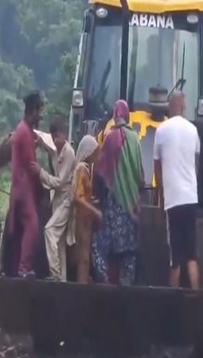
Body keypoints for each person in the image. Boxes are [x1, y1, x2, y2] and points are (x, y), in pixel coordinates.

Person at [92, 100, 144, 285]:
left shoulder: (111, 137)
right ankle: (126, 288)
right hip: (132, 205)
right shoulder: (136, 139)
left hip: (115, 204)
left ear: (115, 115)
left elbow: (101, 171)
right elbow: (141, 174)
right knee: (129, 252)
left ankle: (104, 280)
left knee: (99, 245)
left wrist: (97, 196)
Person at [153, 92, 201, 289]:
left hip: (173, 201)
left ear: (169, 107)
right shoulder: (193, 130)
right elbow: (197, 163)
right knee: (191, 256)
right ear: (183, 107)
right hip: (190, 198)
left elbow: (157, 166)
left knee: (175, 258)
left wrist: (160, 197)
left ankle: (173, 301)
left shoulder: (161, 131)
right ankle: (198, 299)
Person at [31, 117, 76, 281]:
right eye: (54, 137)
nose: (56, 140)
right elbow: (47, 144)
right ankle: (62, 280)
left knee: (49, 231)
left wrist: (40, 172)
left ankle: (55, 274)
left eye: (58, 136)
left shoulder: (69, 153)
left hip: (65, 201)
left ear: (64, 135)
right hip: (58, 201)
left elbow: (59, 182)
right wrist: (37, 140)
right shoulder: (58, 149)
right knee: (60, 242)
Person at [6, 91, 45, 279]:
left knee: (21, 228)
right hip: (23, 188)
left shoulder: (25, 131)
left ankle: (18, 267)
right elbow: (31, 166)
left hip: (21, 187)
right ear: (33, 111)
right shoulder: (24, 132)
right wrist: (44, 184)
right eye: (40, 111)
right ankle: (23, 268)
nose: (41, 115)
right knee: (33, 225)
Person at [72, 135, 102, 284]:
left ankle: (82, 283)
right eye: (95, 152)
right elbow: (77, 198)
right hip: (82, 218)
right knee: (83, 256)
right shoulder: (82, 169)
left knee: (85, 255)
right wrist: (94, 210)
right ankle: (81, 285)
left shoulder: (86, 169)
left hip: (86, 218)